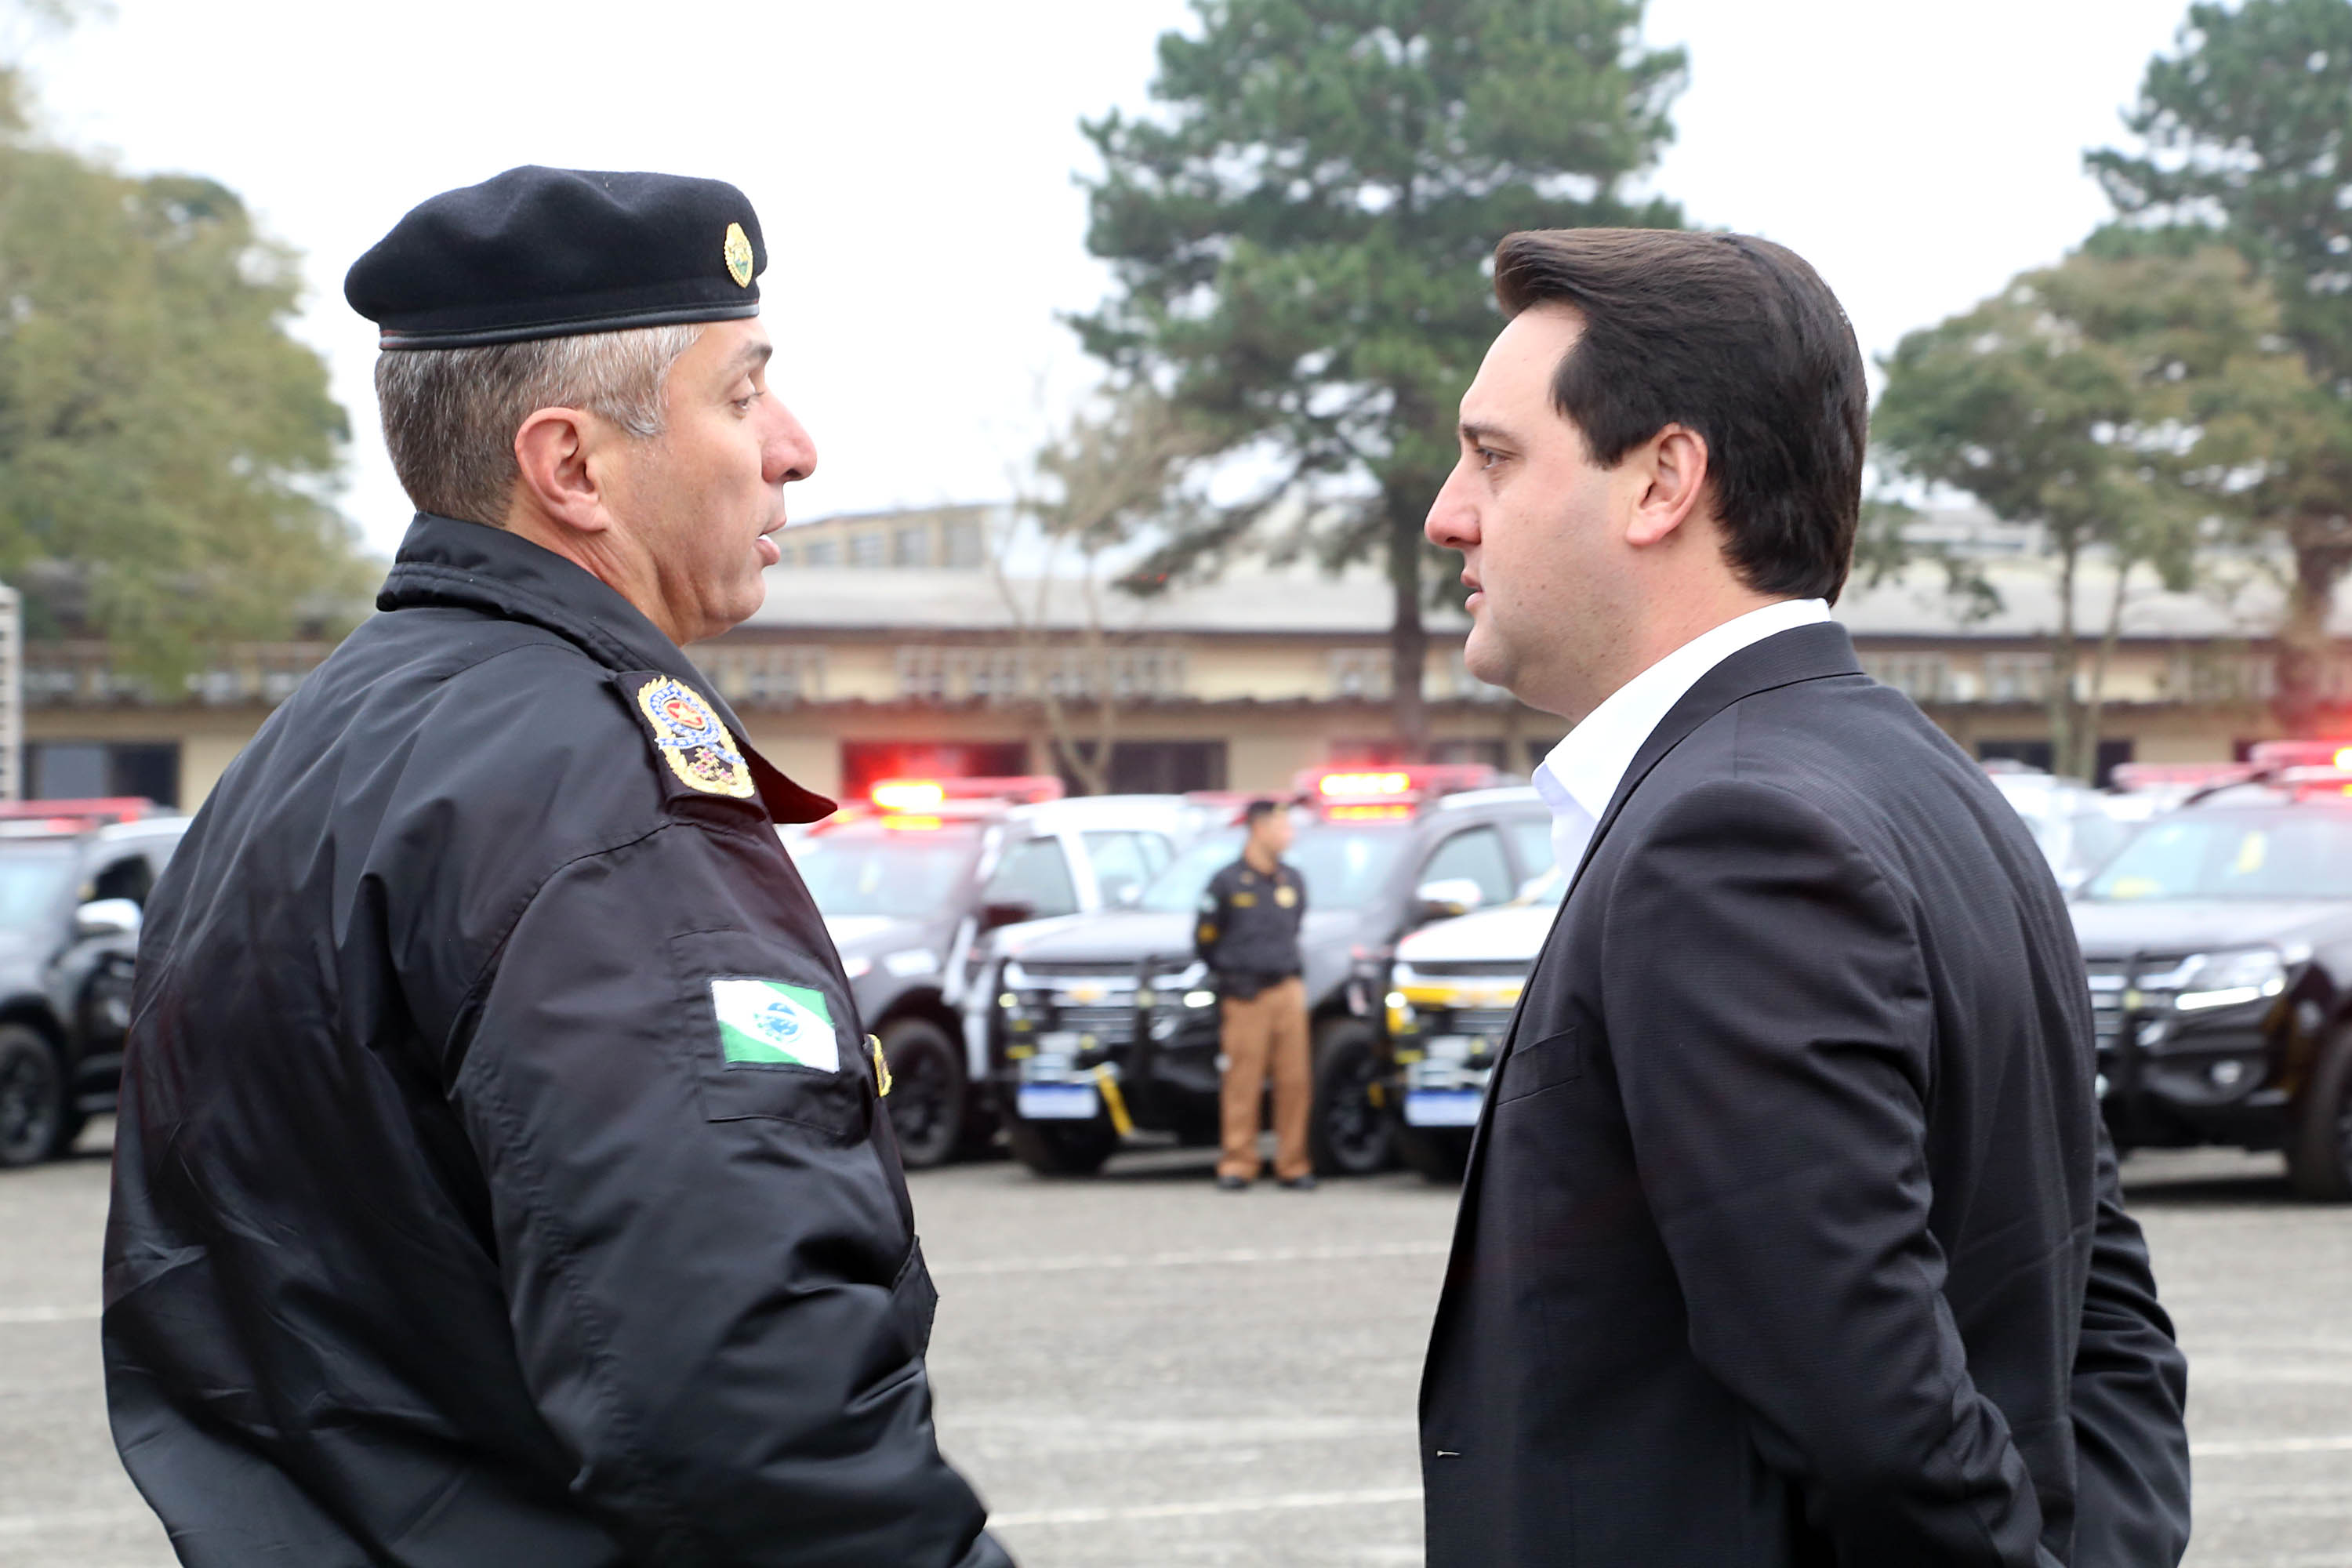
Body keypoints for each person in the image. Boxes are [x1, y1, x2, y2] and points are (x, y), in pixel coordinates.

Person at [101, 167, 1011, 1568]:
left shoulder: (313, 753)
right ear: (572, 467)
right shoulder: (590, 795)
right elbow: (739, 1404)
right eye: (741, 393)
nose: (797, 446)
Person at [1417, 229, 2190, 1566]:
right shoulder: (1934, 789)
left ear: (1663, 480)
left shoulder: (1728, 836)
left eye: (1494, 457)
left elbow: (1881, 1427)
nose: (1447, 512)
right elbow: (2101, 1318)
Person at [1196, 798, 1315, 1190]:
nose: (1289, 834)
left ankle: (1293, 1163)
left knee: (1295, 1082)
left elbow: (1296, 926)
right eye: (1282, 827)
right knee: (1242, 1082)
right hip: (1245, 995)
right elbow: (1206, 940)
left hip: (1287, 990)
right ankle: (1237, 1162)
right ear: (1259, 829)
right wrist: (1232, 978)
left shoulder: (1292, 879)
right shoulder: (1226, 882)